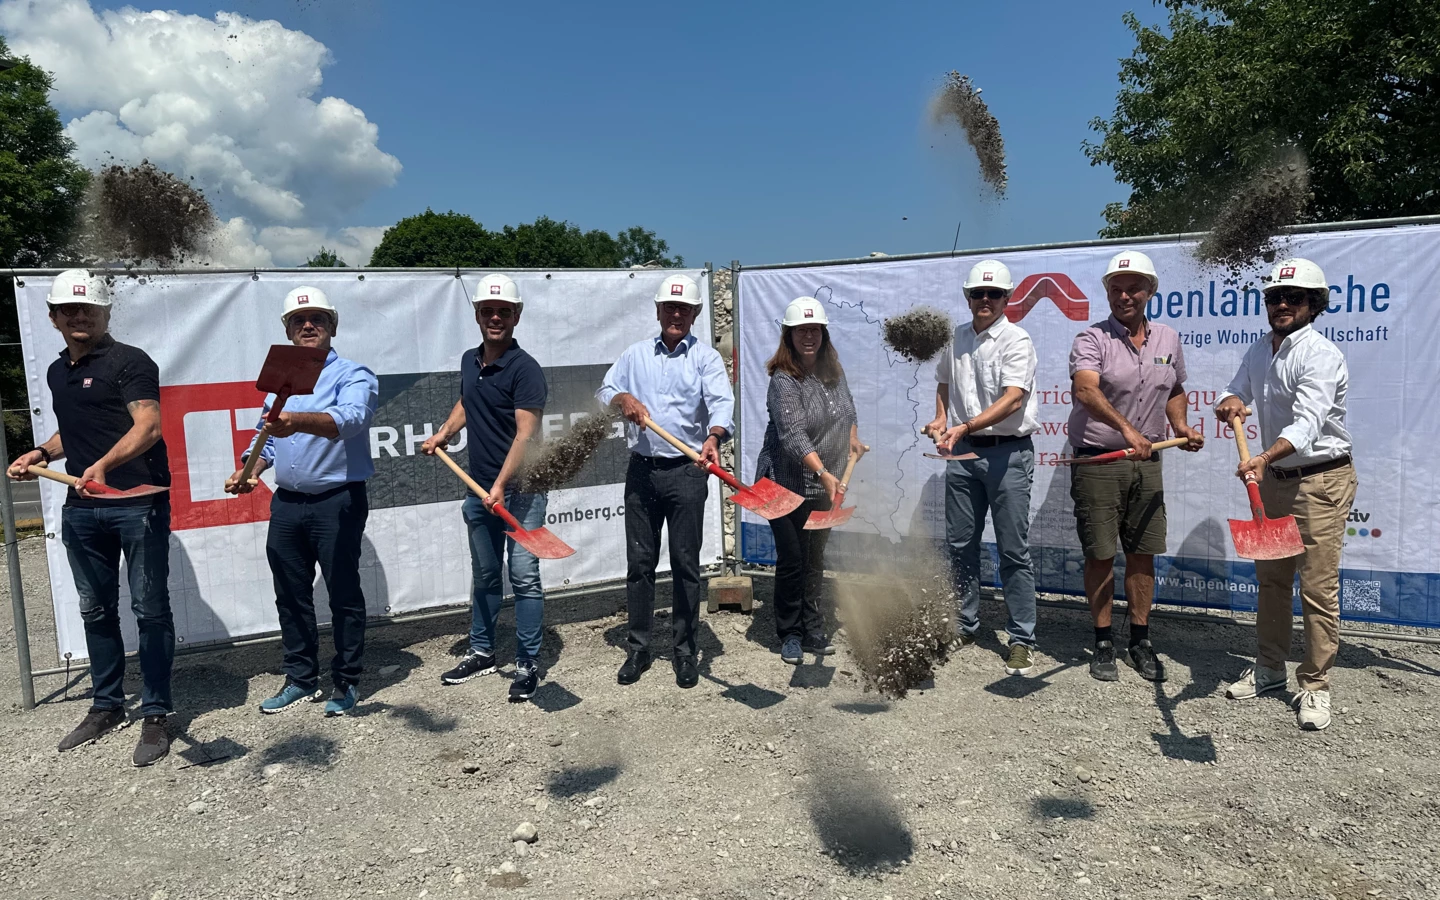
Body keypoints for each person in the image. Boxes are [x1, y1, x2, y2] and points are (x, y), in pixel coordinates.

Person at [7, 270, 175, 766]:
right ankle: (106, 706)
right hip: (82, 508)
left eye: (89, 309)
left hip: (137, 502)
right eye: (69, 310)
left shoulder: (131, 362)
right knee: (95, 609)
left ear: (105, 314)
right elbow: (75, 430)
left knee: (150, 610)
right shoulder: (59, 371)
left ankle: (157, 713)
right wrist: (40, 451)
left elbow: (148, 426)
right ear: (54, 317)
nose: (80, 316)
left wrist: (103, 465)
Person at [1215, 257, 1355, 732]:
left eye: (1293, 298)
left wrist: (1263, 458)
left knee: (1316, 588)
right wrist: (1230, 402)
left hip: (1319, 482)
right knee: (1272, 581)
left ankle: (1315, 686)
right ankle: (1271, 668)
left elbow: (1307, 424)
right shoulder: (1259, 350)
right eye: (1274, 297)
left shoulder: (1320, 354)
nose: (1281, 305)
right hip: (1273, 484)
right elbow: (1235, 392)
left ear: (1313, 304)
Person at [225, 287, 378, 717]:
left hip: (338, 501)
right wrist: (251, 468)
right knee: (290, 594)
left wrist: (295, 421)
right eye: (299, 320)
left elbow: (352, 420)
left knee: (344, 594)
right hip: (287, 505)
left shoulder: (353, 373)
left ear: (332, 326)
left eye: (317, 319)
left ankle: (346, 682)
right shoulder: (281, 381)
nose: (308, 325)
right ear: (288, 330)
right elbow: (265, 437)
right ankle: (300, 679)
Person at [1068, 250, 1204, 683]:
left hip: (1148, 463)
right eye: (1116, 289)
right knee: (1101, 554)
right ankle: (1103, 639)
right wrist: (1128, 431)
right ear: (1107, 292)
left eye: (1133, 288)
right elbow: (1086, 390)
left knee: (1142, 553)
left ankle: (1140, 640)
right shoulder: (1091, 339)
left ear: (1150, 292)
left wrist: (1180, 426)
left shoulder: (1168, 338)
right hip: (1100, 460)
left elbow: (1176, 388)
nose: (1124, 295)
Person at [598, 274, 734, 688]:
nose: (676, 315)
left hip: (688, 471)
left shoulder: (705, 359)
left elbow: (722, 403)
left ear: (694, 314)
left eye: (684, 309)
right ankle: (638, 649)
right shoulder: (635, 356)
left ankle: (685, 651)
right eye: (670, 308)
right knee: (639, 565)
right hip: (642, 470)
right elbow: (605, 390)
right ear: (658, 311)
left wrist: (713, 438)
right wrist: (622, 399)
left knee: (686, 565)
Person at [422, 273, 549, 702]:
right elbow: (466, 401)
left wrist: (499, 485)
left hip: (521, 490)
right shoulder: (469, 360)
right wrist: (443, 433)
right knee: (486, 573)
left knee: (525, 576)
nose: (495, 317)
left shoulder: (525, 369)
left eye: (504, 311)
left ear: (516, 316)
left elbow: (525, 435)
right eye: (488, 311)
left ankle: (528, 663)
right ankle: (481, 652)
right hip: (479, 491)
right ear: (477, 314)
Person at [922, 259, 1040, 676]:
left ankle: (1022, 638)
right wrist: (940, 418)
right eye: (977, 294)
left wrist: (964, 425)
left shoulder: (1016, 340)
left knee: (1013, 550)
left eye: (993, 294)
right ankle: (965, 624)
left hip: (1008, 454)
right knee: (960, 546)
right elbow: (943, 383)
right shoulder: (954, 339)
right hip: (963, 452)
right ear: (968, 298)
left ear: (1007, 298)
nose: (985, 300)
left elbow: (1012, 399)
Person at [754, 297, 861, 665]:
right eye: (801, 330)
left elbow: (847, 410)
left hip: (824, 481)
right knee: (793, 558)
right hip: (782, 483)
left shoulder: (834, 372)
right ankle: (790, 633)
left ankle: (813, 625)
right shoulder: (784, 380)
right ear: (790, 335)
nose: (809, 336)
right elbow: (793, 435)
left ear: (824, 333)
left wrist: (852, 437)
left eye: (814, 329)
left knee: (815, 557)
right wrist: (823, 473)